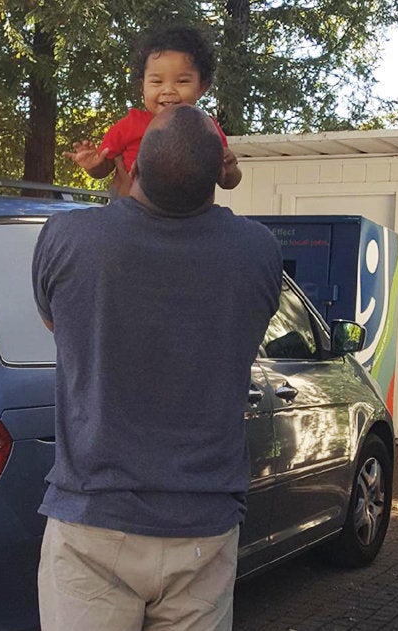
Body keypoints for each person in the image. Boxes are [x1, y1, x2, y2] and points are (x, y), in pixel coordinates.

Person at [33, 105, 282, 631]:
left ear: (133, 168)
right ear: (221, 173)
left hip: (92, 523)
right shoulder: (258, 251)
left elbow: (62, 328)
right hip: (204, 527)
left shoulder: (67, 239)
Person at [64, 24, 242, 196]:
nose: (168, 90)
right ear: (142, 86)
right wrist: (92, 165)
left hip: (185, 217)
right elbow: (105, 168)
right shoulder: (129, 125)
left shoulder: (206, 128)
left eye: (182, 81)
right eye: (157, 81)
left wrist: (230, 169)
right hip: (132, 214)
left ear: (202, 87)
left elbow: (227, 182)